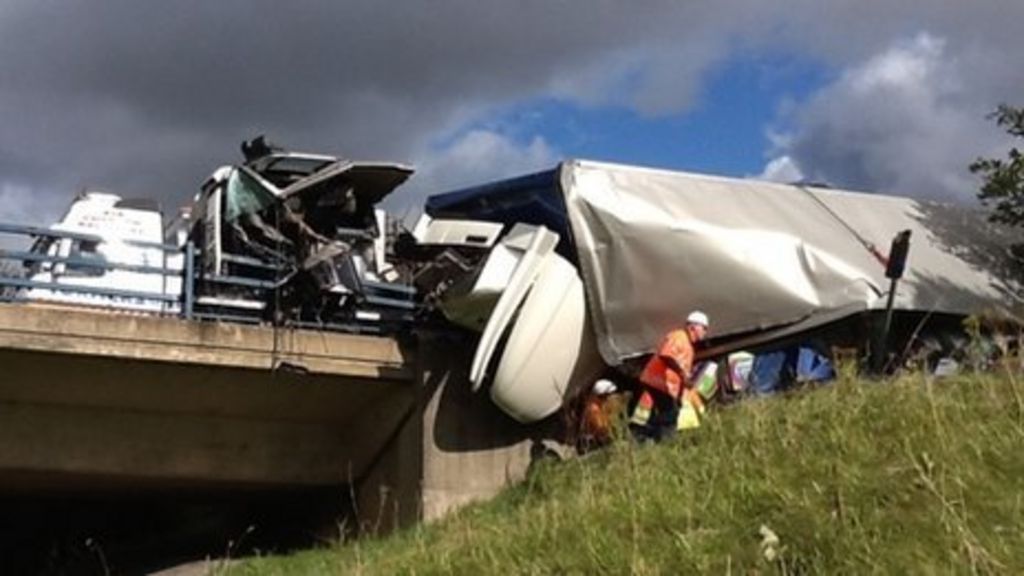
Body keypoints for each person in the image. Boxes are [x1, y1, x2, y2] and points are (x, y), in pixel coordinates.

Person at [629, 310, 710, 442]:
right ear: (693, 327)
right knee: (670, 414)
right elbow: (666, 355)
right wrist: (682, 375)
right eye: (704, 328)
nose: (705, 332)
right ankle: (651, 435)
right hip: (657, 382)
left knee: (669, 412)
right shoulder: (679, 337)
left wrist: (681, 389)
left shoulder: (688, 345)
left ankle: (649, 435)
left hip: (664, 385)